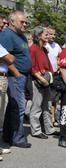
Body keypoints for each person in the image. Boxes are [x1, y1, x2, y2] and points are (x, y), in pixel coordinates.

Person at [0, 11, 32, 148]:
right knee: (18, 107)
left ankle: (8, 135)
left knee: (13, 107)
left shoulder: (22, 36)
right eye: (22, 22)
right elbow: (5, 57)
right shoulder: (7, 35)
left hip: (23, 75)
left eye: (26, 22)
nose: (25, 24)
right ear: (12, 22)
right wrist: (17, 74)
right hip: (15, 76)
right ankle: (17, 138)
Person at [29, 26, 56, 139]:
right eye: (46, 34)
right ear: (39, 36)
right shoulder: (33, 49)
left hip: (46, 81)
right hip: (38, 81)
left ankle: (49, 129)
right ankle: (36, 130)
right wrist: (41, 78)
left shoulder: (44, 49)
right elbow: (31, 67)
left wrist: (48, 78)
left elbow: (48, 66)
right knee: (37, 107)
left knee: (47, 106)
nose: (48, 36)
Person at [45, 26, 62, 127]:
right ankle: (47, 119)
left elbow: (60, 56)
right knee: (47, 98)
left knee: (54, 99)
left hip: (55, 74)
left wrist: (59, 65)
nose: (53, 36)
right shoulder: (44, 45)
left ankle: (53, 117)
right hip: (46, 74)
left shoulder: (57, 46)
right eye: (51, 34)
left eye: (54, 34)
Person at [0, 43, 14, 161]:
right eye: (2, 23)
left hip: (3, 77)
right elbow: (10, 58)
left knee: (1, 116)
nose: (4, 24)